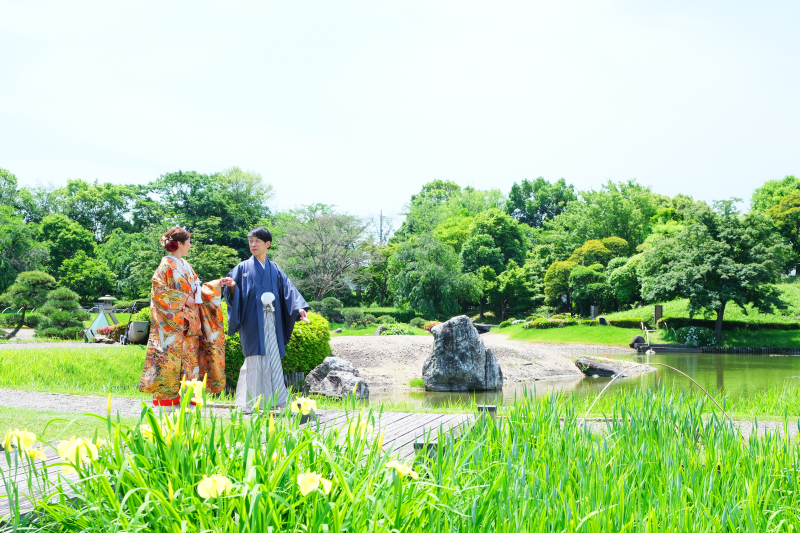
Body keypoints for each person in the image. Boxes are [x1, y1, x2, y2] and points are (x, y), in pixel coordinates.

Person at [138, 226, 236, 410]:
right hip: (174, 326)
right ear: (180, 244)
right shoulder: (166, 265)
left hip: (191, 324)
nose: (190, 245)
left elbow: (198, 292)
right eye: (189, 241)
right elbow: (159, 292)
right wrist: (184, 299)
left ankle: (188, 397)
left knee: (190, 362)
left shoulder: (186, 266)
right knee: (171, 361)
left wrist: (218, 284)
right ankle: (167, 402)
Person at [224, 226, 309, 412]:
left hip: (272, 321)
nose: (253, 244)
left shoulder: (275, 269)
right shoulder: (242, 268)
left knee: (273, 360)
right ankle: (253, 404)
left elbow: (289, 290)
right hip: (252, 322)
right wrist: (231, 287)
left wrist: (300, 308)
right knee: (254, 361)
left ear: (267, 244)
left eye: (257, 241)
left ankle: (278, 401)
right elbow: (232, 295)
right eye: (250, 241)